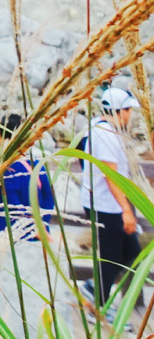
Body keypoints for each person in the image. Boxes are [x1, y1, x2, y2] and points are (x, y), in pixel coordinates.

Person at [0, 112, 57, 338]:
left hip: (13, 237)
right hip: (37, 235)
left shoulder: (8, 169)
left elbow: (13, 207)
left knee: (12, 291)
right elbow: (48, 197)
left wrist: (34, 229)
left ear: (2, 134)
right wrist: (43, 225)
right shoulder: (36, 163)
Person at [80, 86, 143, 310]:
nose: (130, 115)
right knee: (112, 255)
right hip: (107, 205)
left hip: (100, 201)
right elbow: (111, 176)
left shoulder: (94, 127)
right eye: (128, 110)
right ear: (119, 110)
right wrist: (126, 210)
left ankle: (94, 288)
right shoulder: (106, 134)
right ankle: (99, 307)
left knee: (131, 253)